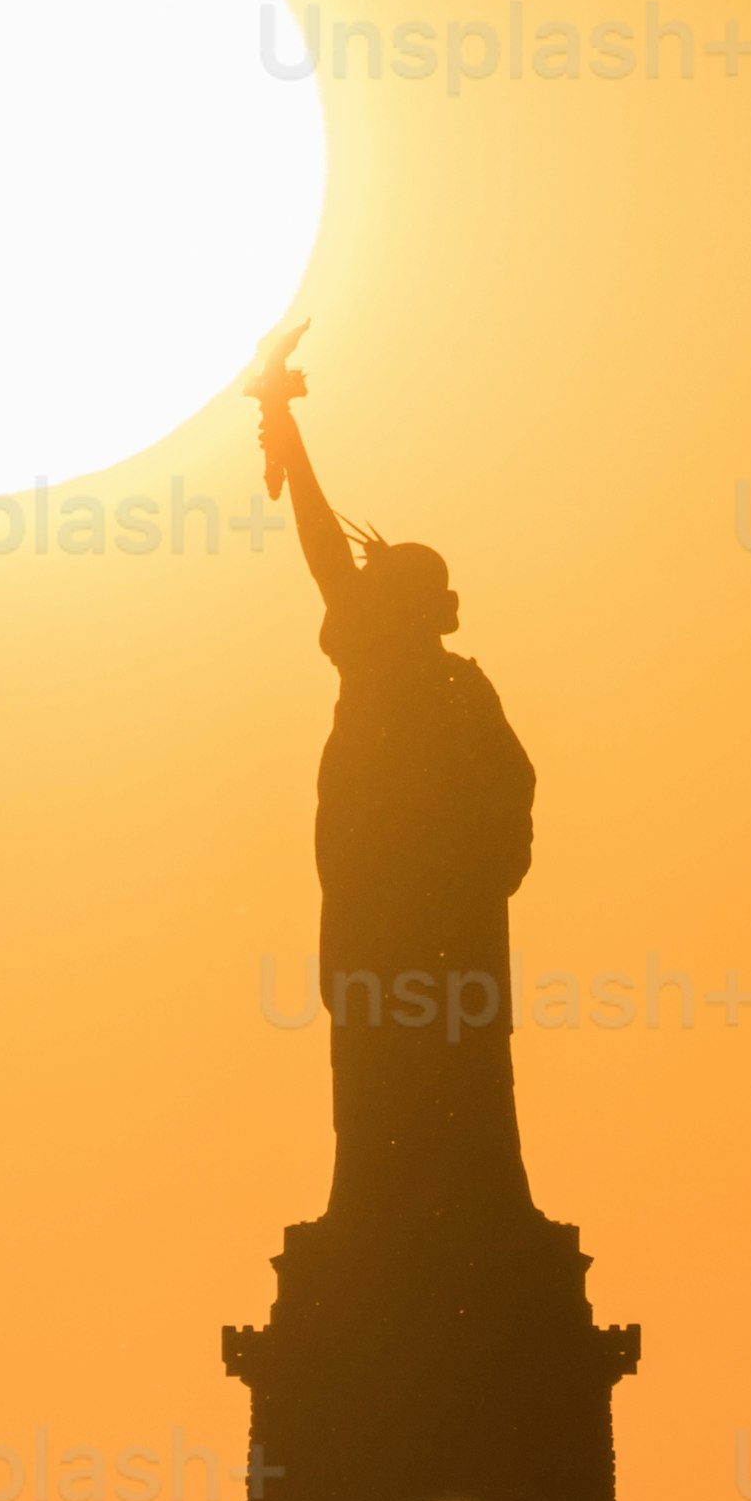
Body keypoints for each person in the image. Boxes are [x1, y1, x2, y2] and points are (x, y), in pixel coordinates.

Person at [255, 346, 535, 1224]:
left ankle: (464, 1204)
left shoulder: (457, 687)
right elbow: (320, 541)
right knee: (377, 1046)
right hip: (383, 895)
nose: (364, 596)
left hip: (444, 911)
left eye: (388, 589)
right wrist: (284, 427)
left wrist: (477, 857)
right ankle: (378, 1205)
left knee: (453, 1054)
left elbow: (512, 785)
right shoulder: (385, 667)